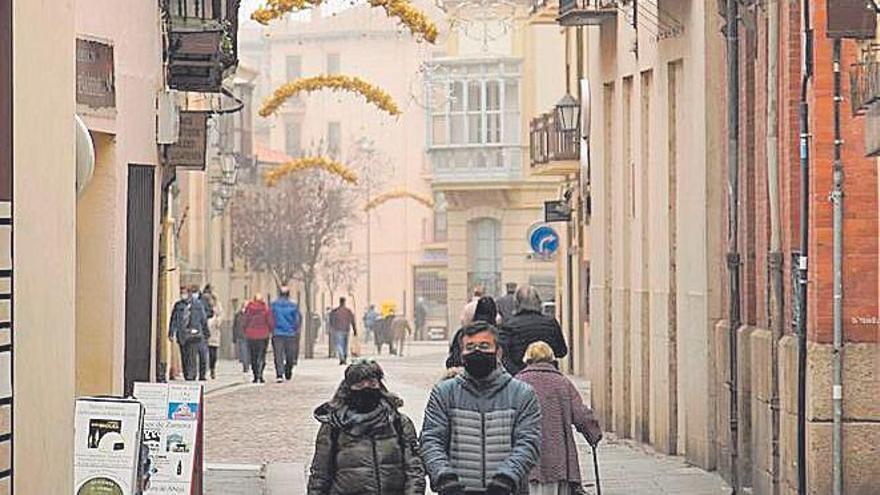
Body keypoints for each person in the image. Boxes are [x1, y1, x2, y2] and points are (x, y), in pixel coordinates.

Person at [421, 321, 542, 495]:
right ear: (462, 355)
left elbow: (529, 442)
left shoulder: (522, 394)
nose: (477, 352)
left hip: (506, 490)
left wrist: (507, 478)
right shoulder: (444, 393)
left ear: (498, 352)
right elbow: (431, 440)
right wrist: (444, 476)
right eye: (470, 347)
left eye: (484, 346)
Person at [307, 360, 425, 495]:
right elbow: (320, 475)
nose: (366, 388)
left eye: (372, 383)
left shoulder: (398, 423)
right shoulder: (334, 426)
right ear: (349, 388)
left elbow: (414, 469)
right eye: (359, 384)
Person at [516, 342, 602, 495]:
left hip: (527, 456)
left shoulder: (518, 382)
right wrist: (593, 434)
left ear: (527, 359)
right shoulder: (562, 383)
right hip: (558, 457)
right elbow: (581, 415)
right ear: (551, 359)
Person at [499, 285, 568, 376]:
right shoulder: (551, 323)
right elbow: (562, 352)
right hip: (548, 376)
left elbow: (504, 357)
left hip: (519, 377)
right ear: (538, 302)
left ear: (516, 303)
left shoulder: (508, 326)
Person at [168, 285, 210, 381]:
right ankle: (187, 373)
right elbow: (173, 319)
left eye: (185, 293)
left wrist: (206, 333)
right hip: (182, 333)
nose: (183, 295)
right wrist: (171, 332)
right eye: (181, 293)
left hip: (194, 333)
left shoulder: (198, 304)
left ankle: (192, 374)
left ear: (189, 294)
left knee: (192, 354)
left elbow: (203, 319)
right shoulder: (178, 305)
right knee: (184, 354)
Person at [445, 296, 498, 369]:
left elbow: (452, 360)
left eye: (484, 346)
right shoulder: (499, 333)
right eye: (470, 347)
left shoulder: (462, 333)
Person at [271, 286, 302, 383]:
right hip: (290, 333)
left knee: (278, 354)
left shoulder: (274, 305)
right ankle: (288, 370)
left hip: (277, 333)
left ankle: (279, 374)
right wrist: (296, 329)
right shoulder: (293, 306)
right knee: (290, 355)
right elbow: (297, 319)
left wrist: (272, 328)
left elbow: (270, 318)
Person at [243, 293, 274, 383]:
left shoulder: (249, 308)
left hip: (251, 335)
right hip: (263, 335)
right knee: (261, 355)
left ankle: (255, 375)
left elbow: (245, 320)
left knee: (253, 355)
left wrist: (245, 330)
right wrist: (270, 330)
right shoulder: (265, 309)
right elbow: (270, 321)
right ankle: (260, 374)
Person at [328, 297, 357, 365]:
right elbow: (352, 321)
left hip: (337, 330)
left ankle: (342, 357)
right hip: (346, 330)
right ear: (344, 302)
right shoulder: (348, 311)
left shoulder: (335, 311)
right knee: (345, 345)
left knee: (339, 344)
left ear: (340, 302)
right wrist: (354, 330)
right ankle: (344, 357)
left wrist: (332, 328)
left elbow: (331, 320)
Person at [203, 285, 223, 380]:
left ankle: (212, 369)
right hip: (204, 329)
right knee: (203, 352)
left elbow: (220, 315)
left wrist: (217, 321)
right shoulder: (202, 302)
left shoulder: (217, 303)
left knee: (212, 352)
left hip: (214, 330)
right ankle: (203, 370)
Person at [232, 302, 250, 373]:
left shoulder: (248, 314)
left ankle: (246, 365)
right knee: (244, 350)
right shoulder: (238, 315)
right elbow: (234, 326)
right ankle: (246, 365)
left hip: (246, 335)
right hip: (243, 335)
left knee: (244, 351)